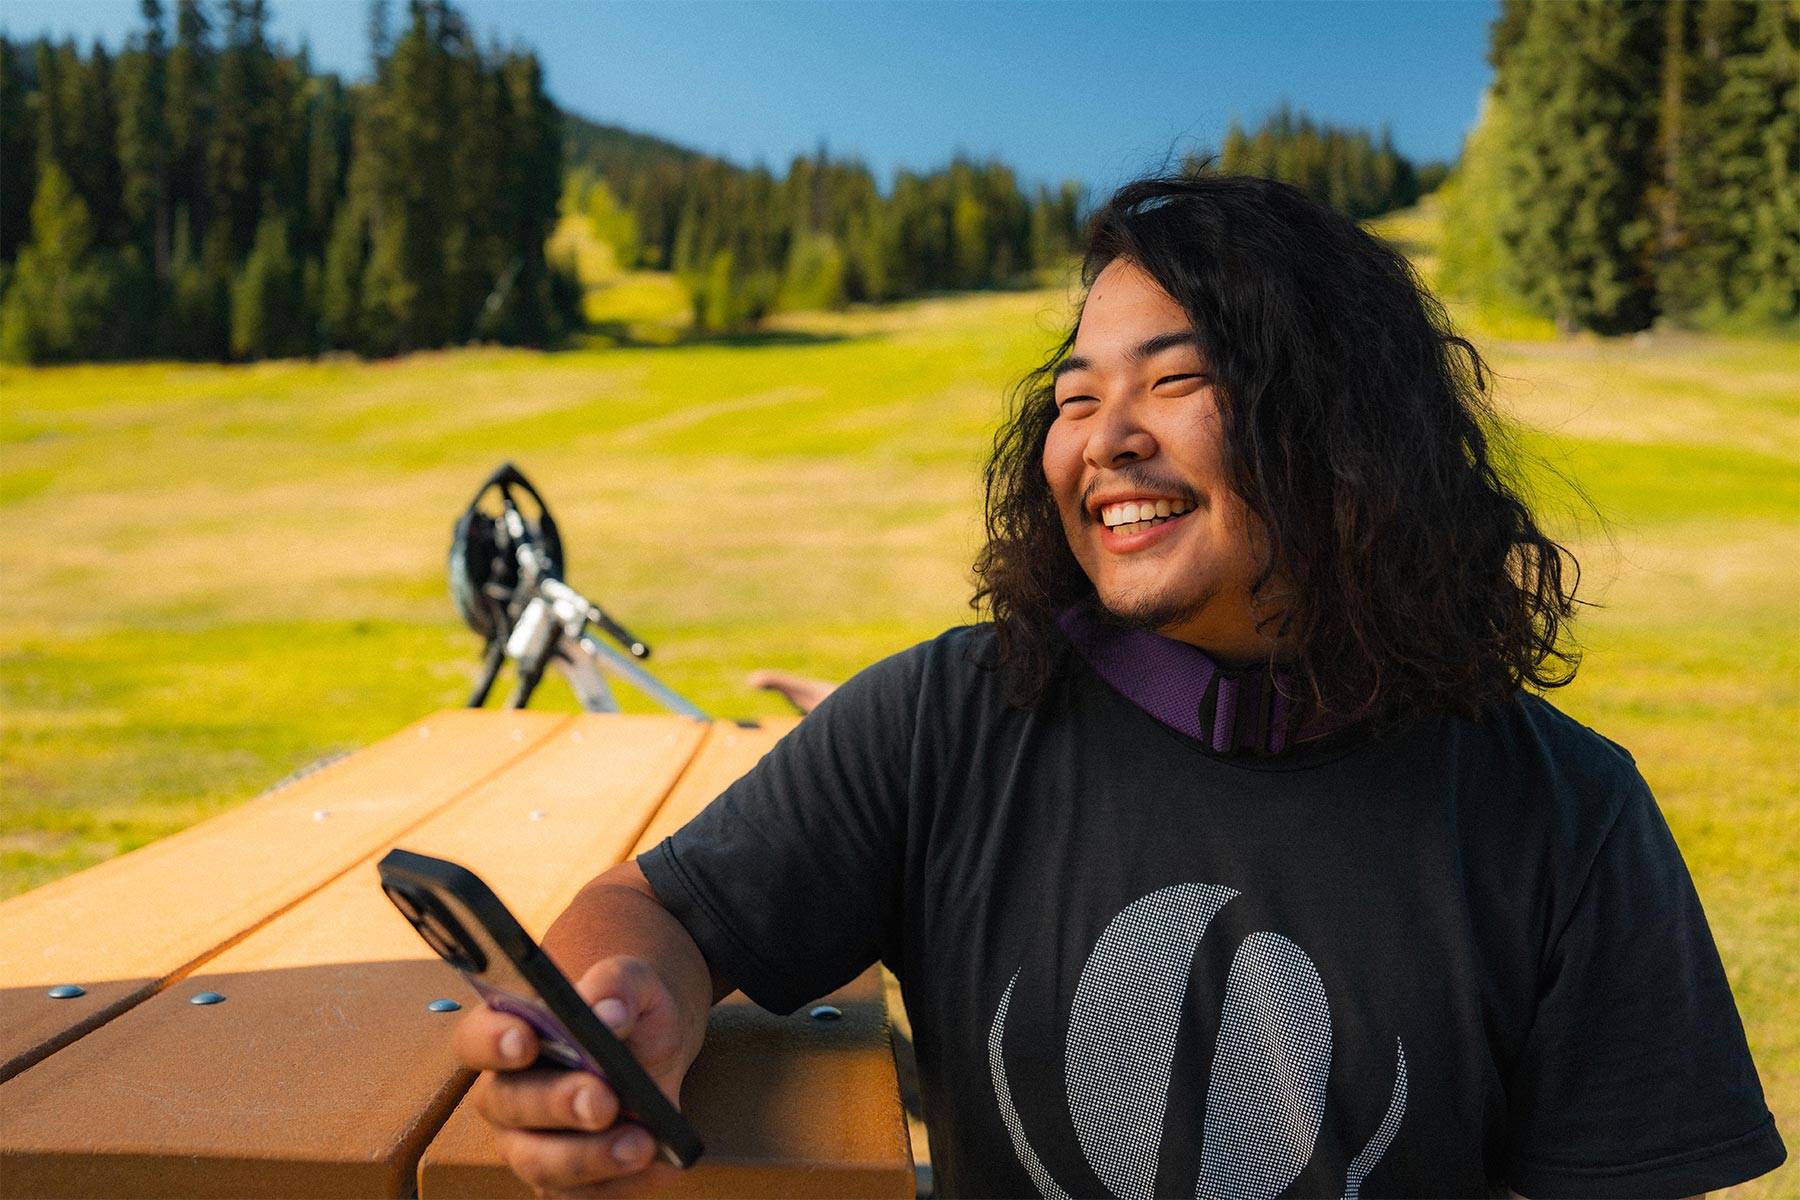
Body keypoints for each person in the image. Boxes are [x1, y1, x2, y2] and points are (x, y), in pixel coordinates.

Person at [452, 174, 1785, 1198]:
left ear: (1342, 424)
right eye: (1076, 398)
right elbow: (658, 910)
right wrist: (618, 1018)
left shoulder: (1562, 811)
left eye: (1179, 377)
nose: (1105, 438)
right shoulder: (952, 723)